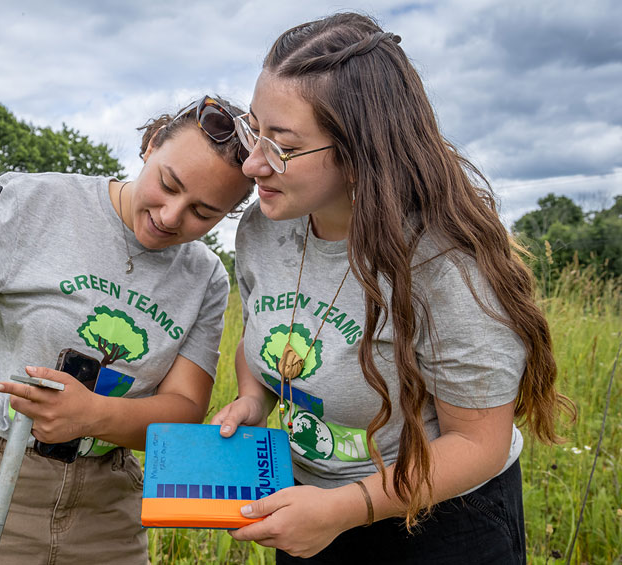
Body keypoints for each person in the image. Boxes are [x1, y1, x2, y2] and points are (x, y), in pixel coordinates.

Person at [210, 13, 574, 564]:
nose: (253, 161)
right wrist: (254, 398)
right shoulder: (264, 227)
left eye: (281, 144)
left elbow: (478, 444)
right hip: (311, 507)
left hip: (439, 521)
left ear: (360, 153)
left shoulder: (446, 264)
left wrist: (344, 509)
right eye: (252, 128)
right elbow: (265, 331)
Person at [0, 95, 253, 565]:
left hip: (106, 506)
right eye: (168, 185)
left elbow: (184, 409)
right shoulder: (34, 200)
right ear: (151, 145)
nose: (171, 216)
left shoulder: (206, 277)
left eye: (204, 212)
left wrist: (92, 415)